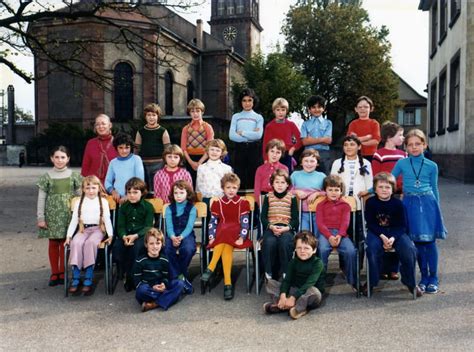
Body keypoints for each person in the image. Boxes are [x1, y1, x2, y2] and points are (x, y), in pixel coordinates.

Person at [392, 129, 447, 294]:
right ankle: (423, 278)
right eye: (410, 145)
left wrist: (438, 211)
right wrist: (370, 190)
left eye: (418, 144)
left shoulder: (432, 166)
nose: (414, 147)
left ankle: (433, 277)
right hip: (409, 204)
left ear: (424, 145)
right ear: (405, 147)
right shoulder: (402, 163)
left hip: (428, 203)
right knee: (416, 242)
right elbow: (389, 179)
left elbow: (435, 188)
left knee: (429, 242)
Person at [364, 172, 421, 297]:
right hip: (377, 232)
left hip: (396, 233)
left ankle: (410, 282)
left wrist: (393, 237)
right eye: (380, 187)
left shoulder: (398, 204)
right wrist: (383, 237)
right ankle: (372, 282)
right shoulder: (370, 203)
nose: (384, 190)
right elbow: (371, 223)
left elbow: (402, 225)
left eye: (387, 187)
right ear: (375, 189)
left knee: (410, 250)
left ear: (392, 189)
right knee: (372, 250)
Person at [200, 173, 252, 300]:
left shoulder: (242, 203)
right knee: (224, 236)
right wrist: (211, 237)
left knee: (224, 230)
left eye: (234, 188)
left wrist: (242, 237)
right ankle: (227, 283)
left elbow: (245, 223)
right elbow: (212, 222)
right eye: (228, 187)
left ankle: (211, 267)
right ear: (223, 188)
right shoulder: (218, 203)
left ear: (237, 188)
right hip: (222, 234)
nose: (231, 190)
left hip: (236, 232)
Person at [37, 146, 82, 286]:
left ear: (68, 159)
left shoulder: (74, 175)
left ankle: (63, 271)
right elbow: (41, 198)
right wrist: (41, 217)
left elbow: (82, 194)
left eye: (63, 157)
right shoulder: (46, 177)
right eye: (56, 157)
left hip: (68, 215)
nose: (59, 160)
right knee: (53, 243)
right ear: (51, 158)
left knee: (64, 242)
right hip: (52, 215)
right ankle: (54, 272)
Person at [65, 175, 114, 294]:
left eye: (93, 188)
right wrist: (68, 236)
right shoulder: (79, 202)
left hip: (98, 229)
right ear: (83, 189)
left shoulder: (103, 201)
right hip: (83, 229)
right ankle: (76, 277)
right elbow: (74, 221)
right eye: (87, 188)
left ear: (99, 188)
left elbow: (107, 219)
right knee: (76, 243)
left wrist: (111, 235)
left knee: (90, 243)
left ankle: (88, 277)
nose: (91, 191)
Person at [371, 121, 407, 280]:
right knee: (382, 228)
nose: (402, 137)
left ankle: (394, 269)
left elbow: (405, 175)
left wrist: (402, 189)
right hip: (382, 196)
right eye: (400, 135)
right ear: (389, 137)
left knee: (395, 230)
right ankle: (382, 269)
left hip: (398, 195)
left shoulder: (403, 154)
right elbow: (375, 175)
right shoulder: (379, 154)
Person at [263, 231, 325, 320]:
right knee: (270, 283)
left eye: (306, 248)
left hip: (309, 293)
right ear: (295, 249)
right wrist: (283, 295)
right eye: (299, 248)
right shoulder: (293, 262)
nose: (302, 251)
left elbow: (310, 283)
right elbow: (287, 280)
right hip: (295, 289)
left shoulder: (318, 263)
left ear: (314, 250)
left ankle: (297, 309)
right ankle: (284, 303)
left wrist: (293, 297)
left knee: (314, 292)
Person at [316, 175, 357, 290]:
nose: (333, 193)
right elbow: (320, 223)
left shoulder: (345, 205)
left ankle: (352, 280)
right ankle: (320, 281)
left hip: (341, 233)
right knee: (322, 249)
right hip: (325, 233)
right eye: (330, 190)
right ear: (325, 191)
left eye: (336, 190)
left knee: (351, 251)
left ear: (341, 191)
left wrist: (339, 235)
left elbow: (345, 222)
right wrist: (329, 236)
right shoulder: (321, 205)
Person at [114, 177, 155, 292]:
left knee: (137, 248)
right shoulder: (124, 207)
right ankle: (126, 272)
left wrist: (136, 236)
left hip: (141, 236)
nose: (132, 195)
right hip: (126, 235)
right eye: (129, 192)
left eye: (135, 192)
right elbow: (120, 225)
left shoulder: (148, 207)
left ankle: (133, 277)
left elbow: (148, 226)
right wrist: (123, 236)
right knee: (118, 248)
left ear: (142, 193)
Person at [134, 228, 185, 312]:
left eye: (158, 243)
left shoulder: (164, 260)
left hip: (160, 287)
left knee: (179, 283)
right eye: (151, 244)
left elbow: (165, 277)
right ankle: (166, 298)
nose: (155, 246)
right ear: (146, 244)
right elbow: (137, 282)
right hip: (148, 289)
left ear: (162, 244)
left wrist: (164, 284)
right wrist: (152, 287)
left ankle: (153, 304)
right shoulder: (140, 261)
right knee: (141, 290)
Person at [261, 169, 299, 281]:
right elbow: (263, 217)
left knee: (285, 242)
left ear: (287, 184)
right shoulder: (268, 197)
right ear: (272, 183)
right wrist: (271, 226)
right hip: (271, 227)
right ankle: (269, 272)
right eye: (277, 182)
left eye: (283, 182)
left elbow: (295, 219)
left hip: (286, 228)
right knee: (269, 242)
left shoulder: (291, 198)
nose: (280, 185)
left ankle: (286, 272)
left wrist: (286, 228)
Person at [164, 180, 197, 294]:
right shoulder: (169, 208)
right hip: (172, 234)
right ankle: (181, 278)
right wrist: (173, 237)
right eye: (176, 193)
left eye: (181, 193)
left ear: (187, 194)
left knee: (188, 249)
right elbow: (168, 226)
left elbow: (189, 226)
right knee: (167, 250)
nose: (178, 195)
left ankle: (178, 275)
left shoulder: (192, 208)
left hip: (185, 234)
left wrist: (180, 237)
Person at [229, 88, 264, 190]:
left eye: (249, 100)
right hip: (240, 149)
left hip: (254, 150)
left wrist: (242, 132)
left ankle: (254, 203)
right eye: (244, 100)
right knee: (239, 176)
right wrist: (251, 134)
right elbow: (232, 136)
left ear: (254, 101)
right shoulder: (236, 116)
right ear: (241, 102)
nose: (247, 103)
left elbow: (258, 136)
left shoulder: (258, 117)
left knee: (253, 175)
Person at [134, 103, 171, 195]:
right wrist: (135, 162)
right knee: (145, 189)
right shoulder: (141, 131)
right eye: (149, 115)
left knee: (157, 189)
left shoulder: (162, 131)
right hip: (143, 164)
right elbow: (136, 149)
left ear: (158, 116)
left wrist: (167, 163)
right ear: (145, 116)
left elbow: (168, 149)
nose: (151, 117)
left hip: (159, 164)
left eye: (154, 115)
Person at [331, 136, 373, 210]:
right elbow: (332, 183)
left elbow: (369, 184)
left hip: (360, 201)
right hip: (341, 201)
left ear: (359, 147)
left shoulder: (366, 163)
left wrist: (365, 193)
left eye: (352, 144)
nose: (348, 147)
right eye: (346, 145)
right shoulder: (337, 163)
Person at [262, 97, 302, 173]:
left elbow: (300, 139)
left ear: (286, 111)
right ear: (274, 111)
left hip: (287, 155)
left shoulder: (291, 124)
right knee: (273, 177)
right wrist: (266, 159)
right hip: (273, 154)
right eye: (278, 110)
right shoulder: (269, 126)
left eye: (283, 110)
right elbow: (265, 144)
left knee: (286, 177)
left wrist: (293, 149)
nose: (280, 112)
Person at [291, 149, 326, 232]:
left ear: (317, 163)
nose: (309, 164)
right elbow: (287, 191)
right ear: (301, 162)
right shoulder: (295, 175)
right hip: (301, 213)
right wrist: (296, 191)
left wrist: (317, 193)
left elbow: (328, 192)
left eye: (312, 161)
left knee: (318, 234)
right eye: (306, 161)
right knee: (304, 234)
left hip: (318, 213)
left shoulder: (322, 176)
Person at [181, 99, 214, 185]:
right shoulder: (186, 128)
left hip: (204, 158)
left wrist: (200, 163)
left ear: (202, 112)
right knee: (191, 183)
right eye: (192, 111)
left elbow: (210, 147)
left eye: (198, 111)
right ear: (189, 113)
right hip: (190, 159)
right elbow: (183, 148)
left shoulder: (207, 127)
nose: (195, 114)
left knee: (204, 183)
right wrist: (191, 162)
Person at [104, 133, 144, 204]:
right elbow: (107, 182)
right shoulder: (113, 162)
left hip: (133, 198)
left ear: (131, 147)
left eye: (127, 147)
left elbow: (140, 181)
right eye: (121, 148)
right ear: (116, 148)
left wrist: (128, 195)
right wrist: (113, 191)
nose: (124, 151)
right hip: (117, 200)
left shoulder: (136, 159)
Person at [81, 114, 118, 185]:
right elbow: (85, 167)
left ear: (110, 125)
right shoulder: (91, 143)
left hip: (114, 185)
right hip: (94, 185)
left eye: (103, 124)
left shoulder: (118, 142)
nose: (100, 127)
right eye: (97, 124)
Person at [300, 95, 333, 174]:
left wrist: (311, 140)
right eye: (313, 107)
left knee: (324, 177)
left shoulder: (328, 123)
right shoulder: (305, 124)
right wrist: (322, 139)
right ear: (309, 109)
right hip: (308, 154)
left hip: (324, 153)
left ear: (323, 108)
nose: (316, 109)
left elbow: (328, 141)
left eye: (319, 107)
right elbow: (304, 142)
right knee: (308, 175)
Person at [196, 139, 232, 205]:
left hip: (222, 199)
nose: (214, 152)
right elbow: (199, 186)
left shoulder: (227, 168)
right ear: (207, 151)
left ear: (222, 153)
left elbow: (229, 185)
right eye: (212, 149)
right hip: (206, 199)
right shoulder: (201, 168)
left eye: (217, 150)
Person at [254, 138, 288, 205]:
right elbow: (257, 189)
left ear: (282, 154)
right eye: (272, 151)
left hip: (279, 199)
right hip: (263, 199)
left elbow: (287, 187)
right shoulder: (260, 169)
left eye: (278, 152)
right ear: (267, 152)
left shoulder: (284, 168)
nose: (274, 155)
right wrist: (259, 202)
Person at [347, 96, 381, 162]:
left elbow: (376, 141)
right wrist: (367, 137)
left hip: (371, 156)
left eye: (366, 107)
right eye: (360, 107)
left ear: (371, 109)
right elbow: (350, 140)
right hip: (355, 155)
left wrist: (358, 141)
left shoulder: (374, 123)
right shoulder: (353, 124)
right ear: (356, 109)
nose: (362, 109)